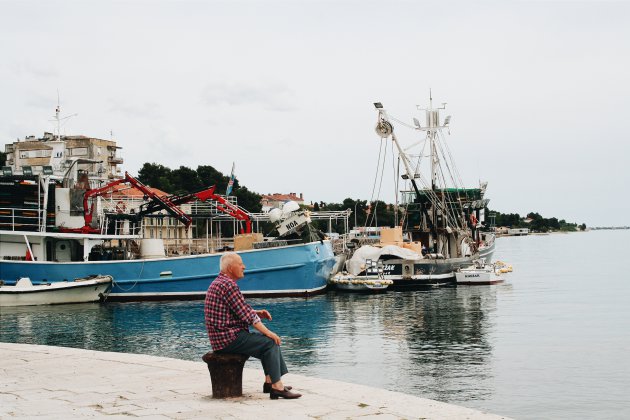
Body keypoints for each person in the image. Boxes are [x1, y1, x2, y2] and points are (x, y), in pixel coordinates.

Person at [204, 252, 301, 400]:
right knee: (270, 342)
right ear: (230, 268)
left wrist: (257, 312)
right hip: (227, 339)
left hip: (220, 338)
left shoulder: (219, 283)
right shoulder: (229, 285)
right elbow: (248, 317)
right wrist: (269, 332)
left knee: (266, 342)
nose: (244, 266)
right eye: (240, 263)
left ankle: (270, 382)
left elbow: (237, 309)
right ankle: (277, 387)